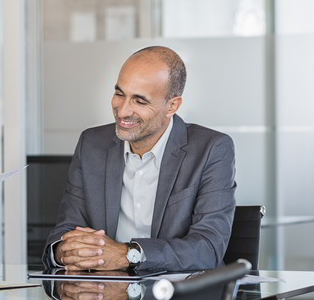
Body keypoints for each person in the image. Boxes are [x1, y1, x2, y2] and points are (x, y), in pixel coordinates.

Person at [43, 46, 236, 272]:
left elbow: (207, 248)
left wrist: (129, 255)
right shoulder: (91, 144)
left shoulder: (210, 149)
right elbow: (65, 230)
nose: (123, 111)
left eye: (140, 101)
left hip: (181, 299)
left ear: (172, 105)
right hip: (103, 296)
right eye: (119, 94)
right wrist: (65, 251)